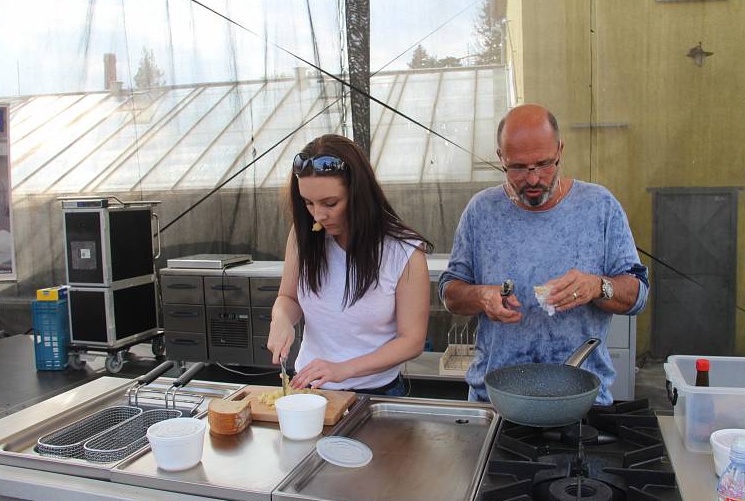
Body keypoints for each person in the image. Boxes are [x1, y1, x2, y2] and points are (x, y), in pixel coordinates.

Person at [438, 104, 649, 405]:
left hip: (580, 400)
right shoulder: (482, 211)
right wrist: (481, 297)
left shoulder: (599, 207)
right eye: (518, 167)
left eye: (544, 164)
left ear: (560, 151)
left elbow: (638, 295)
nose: (534, 179)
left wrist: (597, 286)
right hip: (495, 400)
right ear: (501, 157)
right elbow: (450, 293)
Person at [267, 134, 432, 396]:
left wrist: (343, 369)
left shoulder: (404, 252)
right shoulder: (303, 237)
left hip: (374, 393)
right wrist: (282, 318)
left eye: (330, 203)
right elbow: (288, 297)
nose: (318, 215)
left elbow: (411, 341)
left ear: (359, 194)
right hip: (308, 390)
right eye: (308, 203)